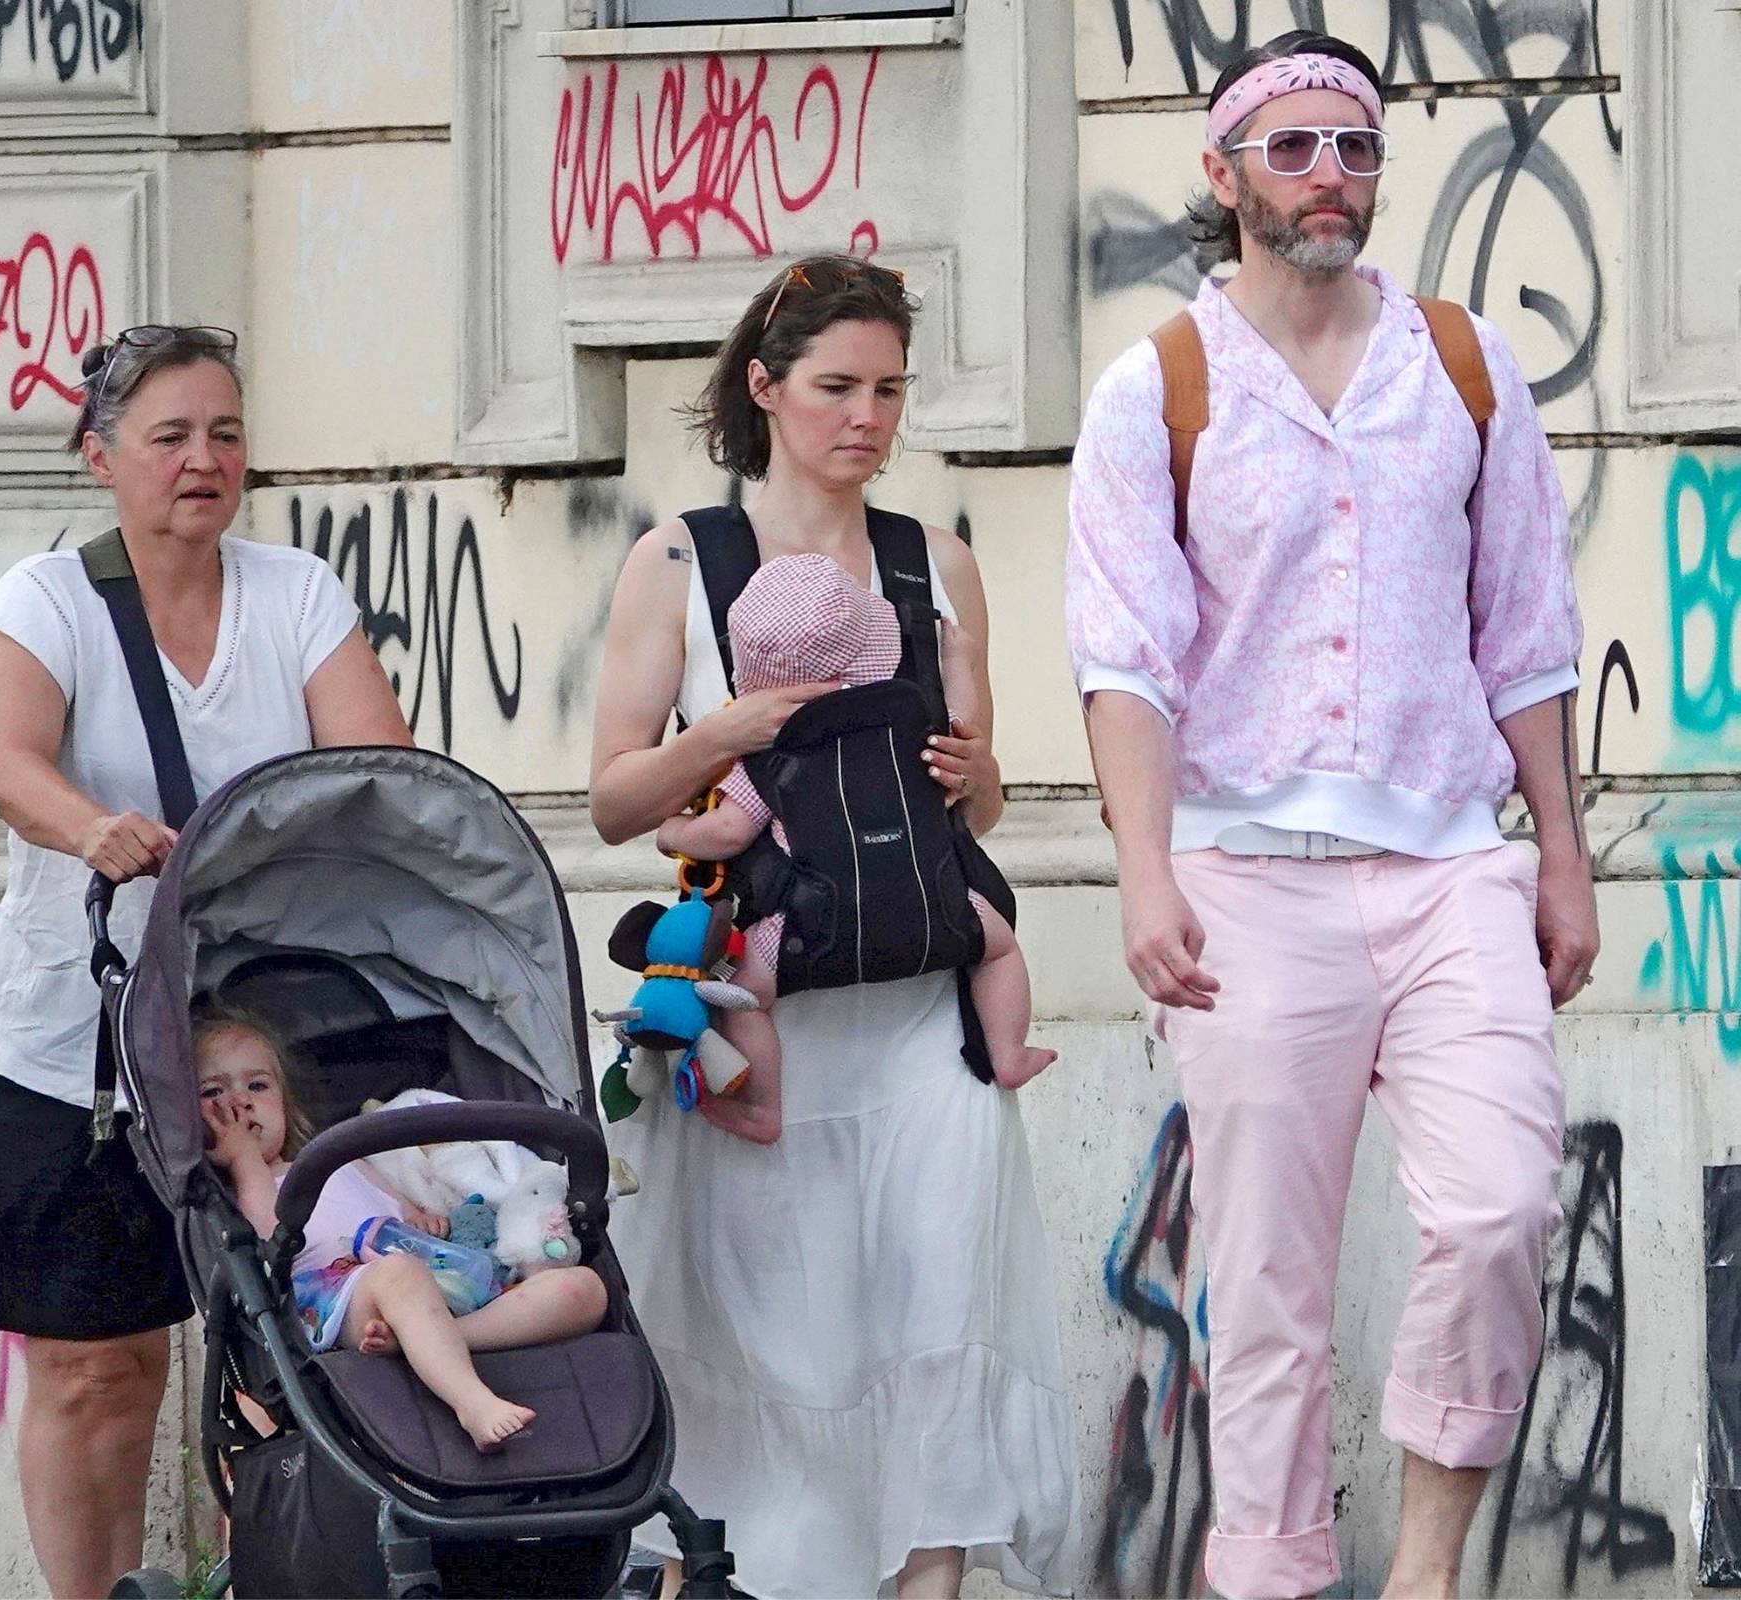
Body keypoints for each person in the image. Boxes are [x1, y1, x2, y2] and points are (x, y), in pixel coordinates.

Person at [1065, 31, 1595, 1600]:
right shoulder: (1155, 384)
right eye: (1292, 150)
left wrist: (1559, 851)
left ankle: (1425, 1573)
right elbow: (1123, 659)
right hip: (1246, 880)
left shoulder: (1467, 366)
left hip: (1451, 871)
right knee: (1270, 1293)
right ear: (1224, 176)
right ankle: (1275, 1582)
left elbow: (1531, 630)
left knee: (1500, 1207)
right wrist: (1144, 869)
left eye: (1355, 149)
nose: (1330, 179)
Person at [591, 255, 1077, 1599]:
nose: (866, 417)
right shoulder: (679, 561)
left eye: (889, 391)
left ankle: (927, 1583)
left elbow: (973, 812)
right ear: (766, 386)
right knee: (761, 1347)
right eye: (836, 387)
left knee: (938, 1317)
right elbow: (614, 801)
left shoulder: (938, 565)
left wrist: (974, 777)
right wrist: (729, 732)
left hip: (920, 1021)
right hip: (760, 1030)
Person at [0, 324, 416, 1599]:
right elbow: (9, 760)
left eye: (225, 431)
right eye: (169, 436)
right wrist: (90, 827)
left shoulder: (298, 595)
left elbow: (375, 768)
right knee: (100, 1366)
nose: (203, 458)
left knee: (297, 1347)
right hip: (76, 1043)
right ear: (100, 457)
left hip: (257, 1043)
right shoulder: (46, 601)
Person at [654, 551, 1055, 1144]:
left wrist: (670, 832)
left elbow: (727, 834)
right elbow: (966, 732)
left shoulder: (768, 749)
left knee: (741, 995)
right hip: (932, 906)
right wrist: (961, 660)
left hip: (808, 928)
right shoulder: (915, 722)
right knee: (997, 949)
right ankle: (1008, 1050)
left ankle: (765, 1108)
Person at [194, 1010, 608, 1452]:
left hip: (436, 1274)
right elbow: (271, 1231)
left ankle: (440, 1338)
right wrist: (242, 1158)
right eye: (214, 1092)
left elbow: (389, 1199)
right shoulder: (243, 1190)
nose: (240, 1102)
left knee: (583, 1289)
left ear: (285, 1102)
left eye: (257, 1085)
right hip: (342, 1295)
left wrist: (415, 1215)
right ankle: (472, 1402)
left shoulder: (335, 1156)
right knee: (399, 1274)